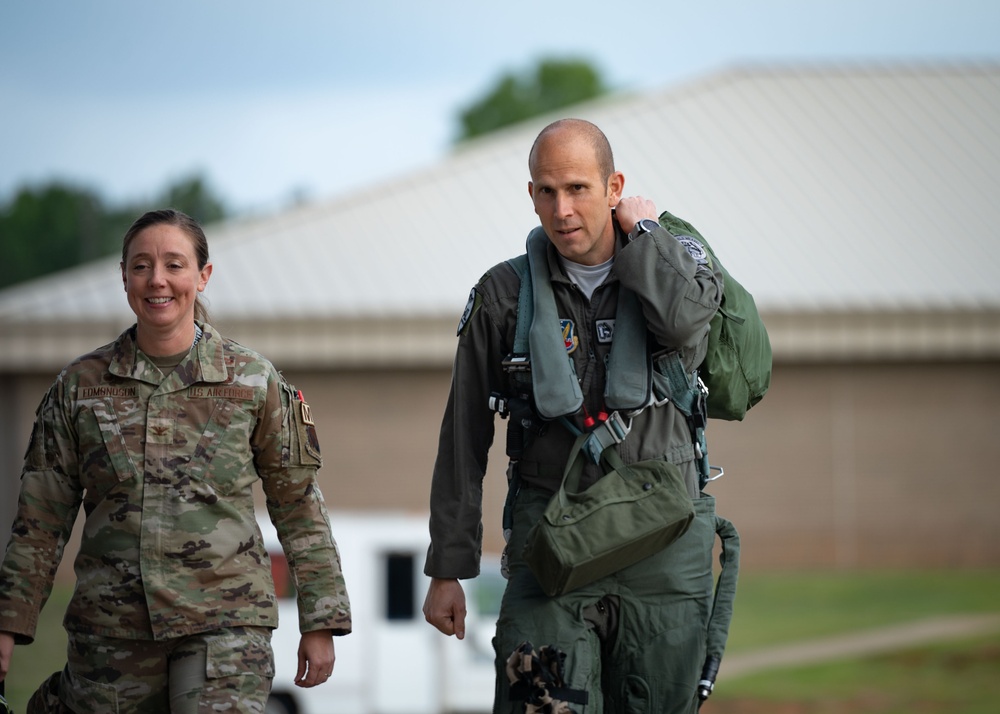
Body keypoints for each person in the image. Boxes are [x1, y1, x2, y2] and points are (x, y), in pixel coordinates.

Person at [422, 118, 726, 713]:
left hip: (663, 541)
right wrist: (448, 567)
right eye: (546, 190)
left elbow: (687, 322)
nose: (562, 209)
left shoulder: (675, 268)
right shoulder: (503, 295)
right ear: (531, 194)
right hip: (552, 541)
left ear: (614, 186)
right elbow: (464, 435)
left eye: (579, 189)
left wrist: (644, 234)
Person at [0, 209, 352, 713]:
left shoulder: (253, 380)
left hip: (226, 627)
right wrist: (10, 622)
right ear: (124, 277)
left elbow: (299, 506)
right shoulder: (79, 387)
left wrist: (321, 619)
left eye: (174, 264)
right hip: (111, 633)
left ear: (203, 276)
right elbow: (40, 519)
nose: (157, 280)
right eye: (141, 266)